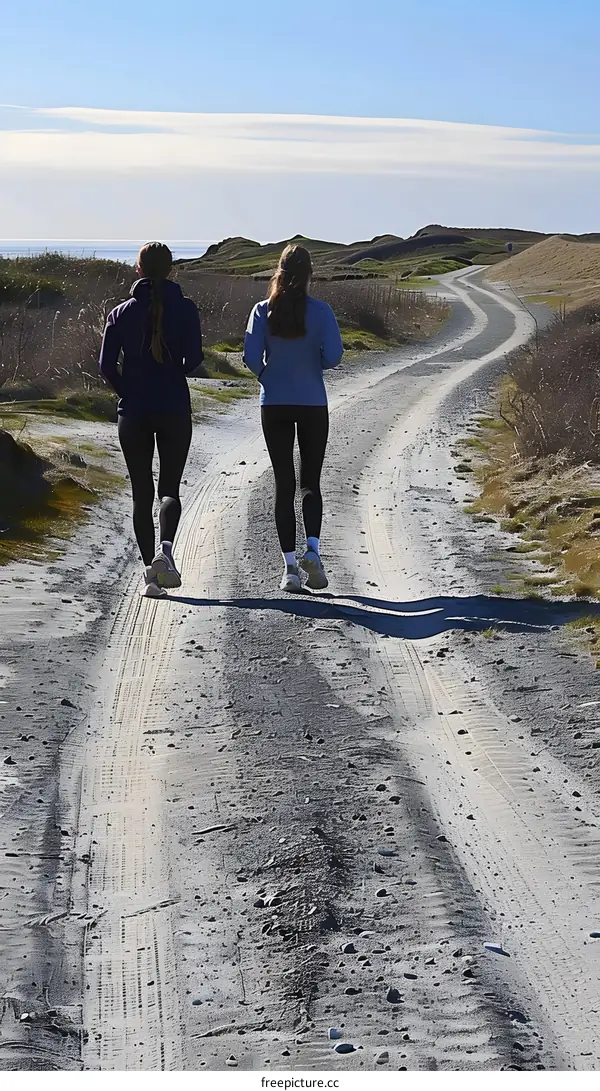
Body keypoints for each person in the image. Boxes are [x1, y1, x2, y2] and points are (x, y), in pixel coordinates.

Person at [99, 241, 203, 597]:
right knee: (169, 489)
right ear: (171, 269)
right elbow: (194, 361)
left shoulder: (121, 312)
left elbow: (105, 366)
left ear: (138, 269)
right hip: (174, 406)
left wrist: (126, 391)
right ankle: (167, 551)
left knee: (141, 493)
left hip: (134, 411)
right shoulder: (186, 310)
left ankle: (150, 577)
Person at [243, 244, 343, 592]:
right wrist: (311, 363)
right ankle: (312, 549)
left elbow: (251, 357)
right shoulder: (321, 312)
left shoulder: (261, 311)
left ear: (279, 272)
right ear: (310, 274)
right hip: (313, 401)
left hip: (274, 403)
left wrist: (268, 376)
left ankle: (289, 569)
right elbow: (333, 357)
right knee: (310, 483)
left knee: (283, 484)